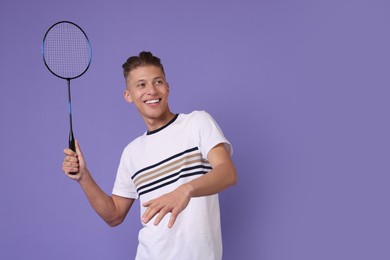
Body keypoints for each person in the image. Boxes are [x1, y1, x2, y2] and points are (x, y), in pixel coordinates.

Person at [62, 51, 237, 260]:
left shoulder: (197, 123)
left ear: (167, 87)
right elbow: (114, 216)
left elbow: (227, 173)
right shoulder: (131, 153)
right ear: (128, 95)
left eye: (158, 82)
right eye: (141, 85)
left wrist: (186, 190)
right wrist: (84, 177)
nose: (152, 90)